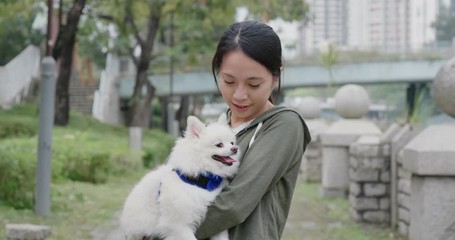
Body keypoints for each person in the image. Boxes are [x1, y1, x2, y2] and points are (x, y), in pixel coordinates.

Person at [195, 20, 311, 240]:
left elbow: (234, 204)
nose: (239, 95)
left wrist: (166, 231)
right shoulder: (219, 128)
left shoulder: (284, 125)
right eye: (229, 81)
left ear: (276, 76)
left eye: (253, 84)